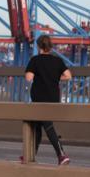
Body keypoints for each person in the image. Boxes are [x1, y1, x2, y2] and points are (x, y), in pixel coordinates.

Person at [23, 34, 72, 166]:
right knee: (38, 126)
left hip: (39, 97)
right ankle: (29, 155)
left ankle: (61, 154)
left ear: (39, 46)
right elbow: (68, 76)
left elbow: (28, 78)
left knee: (47, 126)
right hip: (53, 98)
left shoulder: (35, 60)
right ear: (50, 47)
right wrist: (56, 78)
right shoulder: (57, 61)